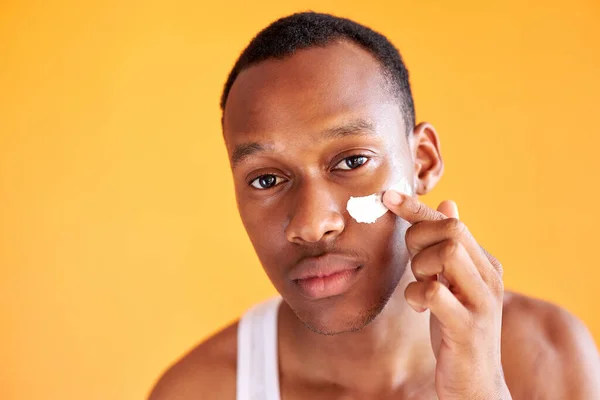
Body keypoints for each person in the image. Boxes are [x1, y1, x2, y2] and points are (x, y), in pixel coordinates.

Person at [149, 12, 600, 399]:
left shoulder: (549, 356)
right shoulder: (200, 390)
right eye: (266, 179)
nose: (311, 224)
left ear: (423, 161)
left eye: (351, 161)